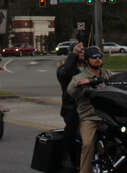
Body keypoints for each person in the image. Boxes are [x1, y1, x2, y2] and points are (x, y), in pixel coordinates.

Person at [67, 46, 113, 173]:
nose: (98, 60)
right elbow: (71, 91)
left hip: (109, 116)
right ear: (87, 60)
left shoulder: (107, 74)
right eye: (94, 57)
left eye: (100, 57)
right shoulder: (79, 77)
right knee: (87, 145)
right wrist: (81, 84)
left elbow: (122, 81)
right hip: (90, 117)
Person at [56, 39, 85, 171]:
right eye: (79, 50)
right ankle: (66, 157)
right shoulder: (64, 68)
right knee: (72, 128)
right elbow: (66, 73)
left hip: (88, 106)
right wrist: (73, 55)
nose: (82, 52)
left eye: (83, 50)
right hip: (71, 107)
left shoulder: (88, 66)